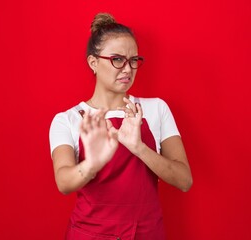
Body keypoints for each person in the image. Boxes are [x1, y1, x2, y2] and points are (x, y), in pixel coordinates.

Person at [49, 12, 193, 240]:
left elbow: (184, 180)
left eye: (134, 60)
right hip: (89, 234)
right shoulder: (68, 119)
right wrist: (92, 164)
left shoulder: (156, 109)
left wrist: (140, 148)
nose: (128, 69)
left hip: (147, 233)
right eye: (117, 59)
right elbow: (64, 182)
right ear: (93, 62)